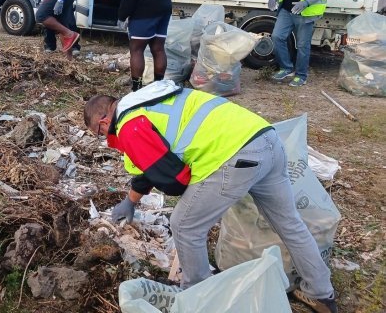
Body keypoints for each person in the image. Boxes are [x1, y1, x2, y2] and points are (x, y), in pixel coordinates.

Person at [83, 80, 337, 313]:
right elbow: (151, 164)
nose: (104, 138)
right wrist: (131, 200)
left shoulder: (129, 126)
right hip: (267, 139)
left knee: (184, 224)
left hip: (234, 156)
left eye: (99, 134)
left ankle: (197, 296)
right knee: (290, 223)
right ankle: (321, 293)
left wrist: (191, 195)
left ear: (104, 122)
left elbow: (172, 180)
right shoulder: (151, 100)